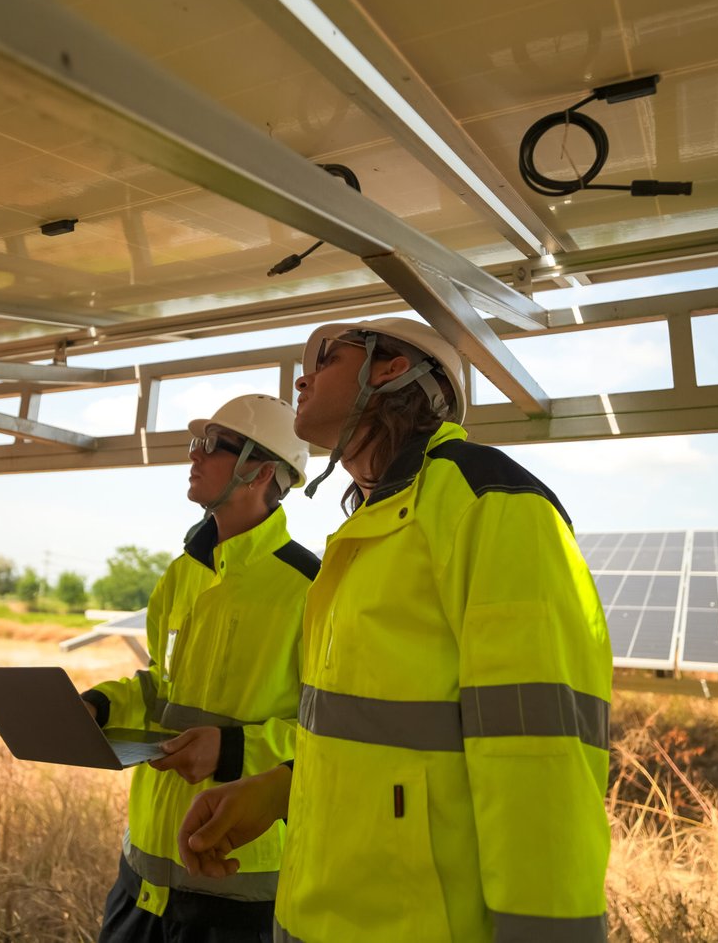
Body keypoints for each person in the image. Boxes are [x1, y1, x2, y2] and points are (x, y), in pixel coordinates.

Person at [177, 319, 613, 942]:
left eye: (326, 357)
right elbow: (381, 737)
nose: (302, 377)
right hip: (317, 917)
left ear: (389, 369)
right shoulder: (372, 524)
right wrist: (281, 788)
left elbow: (540, 752)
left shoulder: (488, 503)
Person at [81, 393, 318, 942]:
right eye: (196, 442)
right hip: (141, 876)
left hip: (238, 889)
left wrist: (233, 751)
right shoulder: (180, 575)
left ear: (260, 469)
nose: (193, 455)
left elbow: (332, 732)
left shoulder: (311, 589)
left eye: (212, 445)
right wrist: (100, 704)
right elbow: (159, 689)